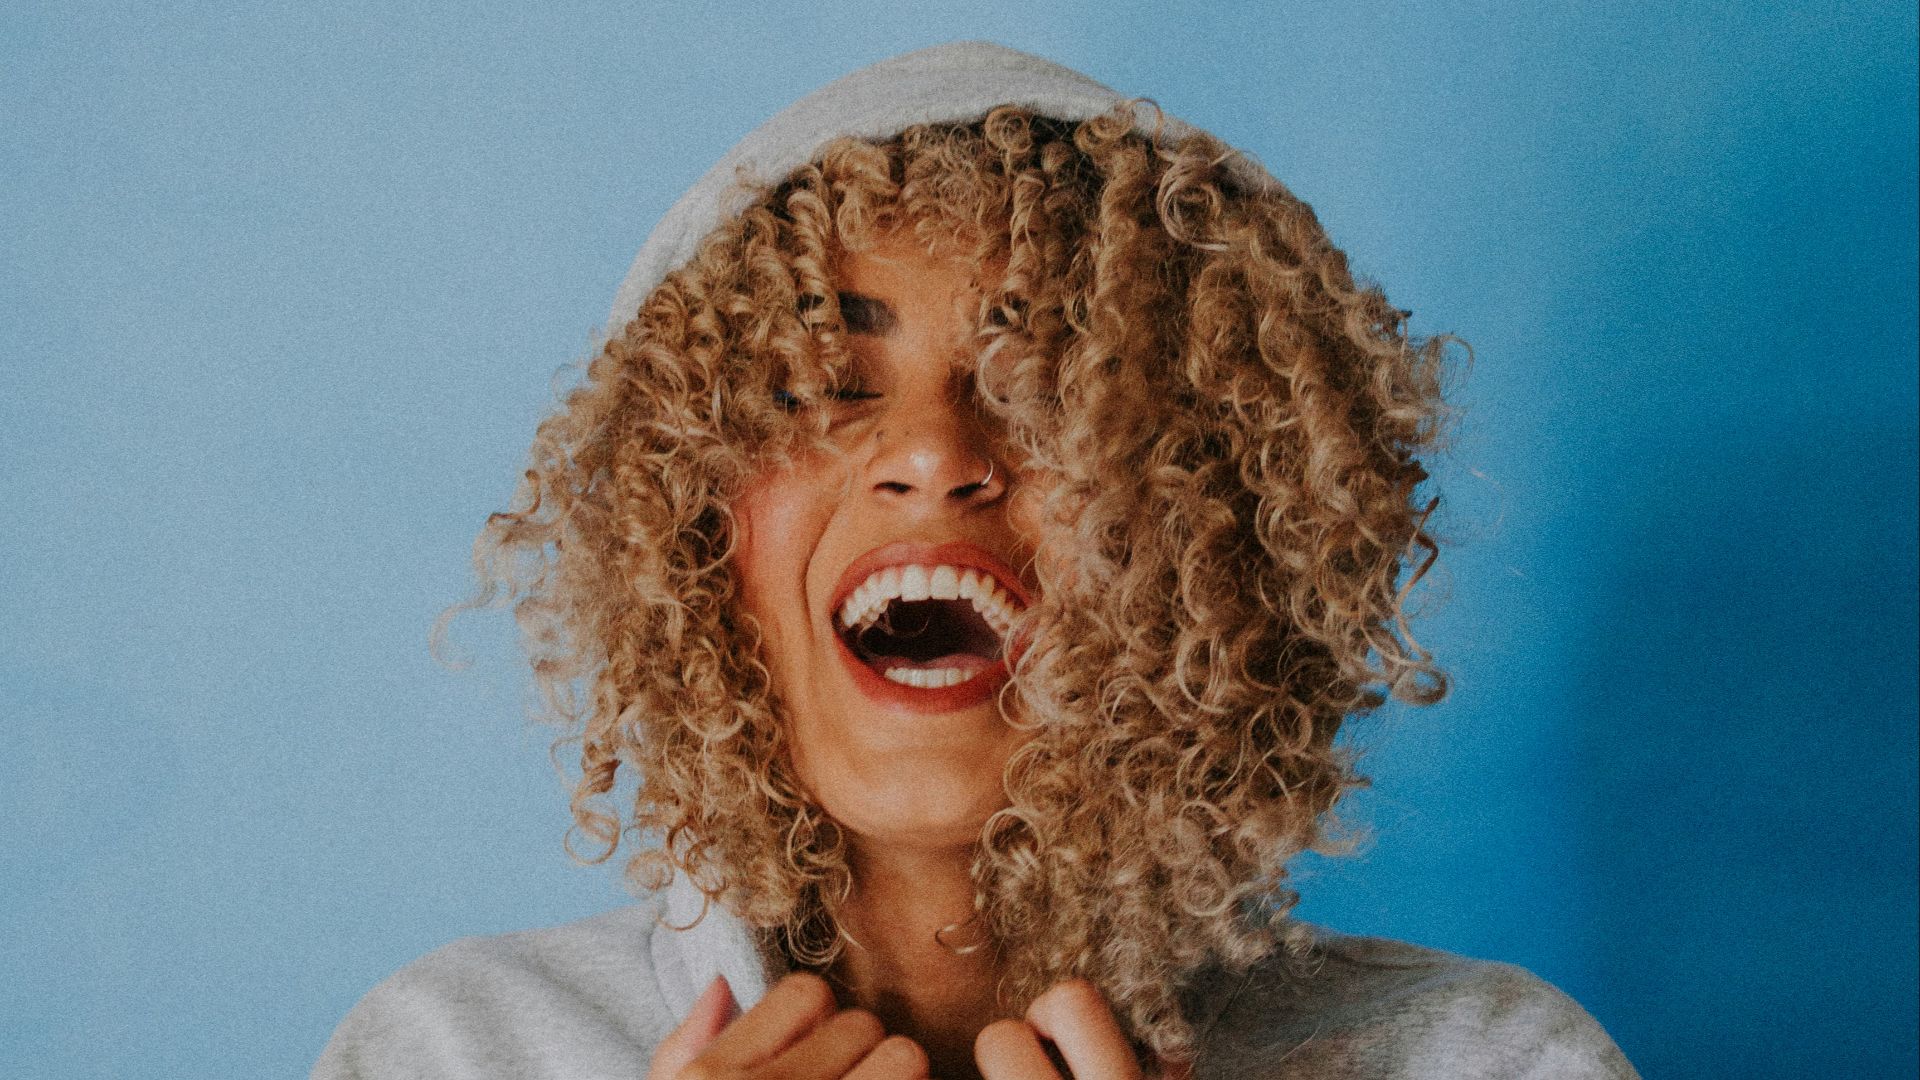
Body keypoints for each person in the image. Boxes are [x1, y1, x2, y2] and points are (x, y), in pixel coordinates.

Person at [314, 41, 1639, 1080]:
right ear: (685, 531)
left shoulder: (1484, 1060)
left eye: (1047, 383)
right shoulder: (452, 1052)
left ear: (1222, 526)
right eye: (826, 383)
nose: (936, 455)